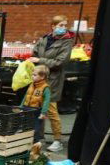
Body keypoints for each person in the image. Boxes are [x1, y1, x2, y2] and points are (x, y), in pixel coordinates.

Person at [29, 15, 74, 153]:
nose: (63, 28)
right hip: (39, 79)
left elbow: (60, 62)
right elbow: (34, 52)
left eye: (65, 25)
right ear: (53, 26)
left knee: (51, 110)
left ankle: (57, 140)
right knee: (36, 108)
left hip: (53, 80)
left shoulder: (67, 42)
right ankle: (38, 137)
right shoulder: (44, 38)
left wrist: (40, 60)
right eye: (61, 25)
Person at [21, 65, 51, 146]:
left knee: (35, 129)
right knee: (25, 126)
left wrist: (43, 112)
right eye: (32, 74)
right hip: (26, 108)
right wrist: (21, 107)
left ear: (42, 76)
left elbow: (46, 101)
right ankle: (25, 144)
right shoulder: (31, 84)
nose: (32, 76)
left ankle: (35, 144)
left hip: (36, 110)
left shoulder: (45, 88)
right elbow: (26, 96)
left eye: (34, 75)